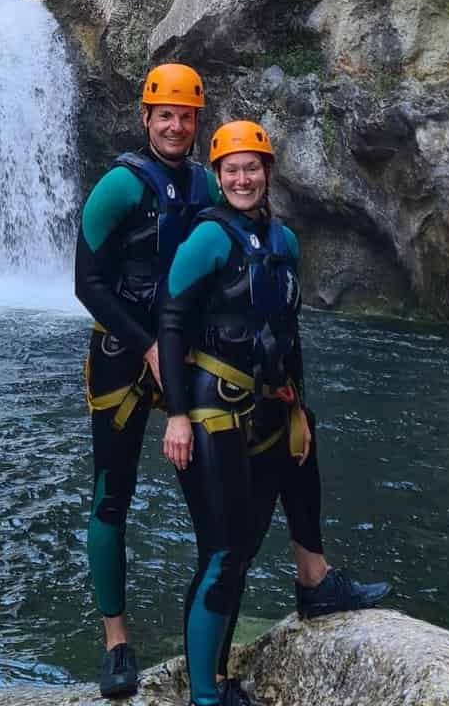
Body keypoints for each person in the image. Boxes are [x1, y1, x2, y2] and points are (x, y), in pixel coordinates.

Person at [159, 120, 389, 706]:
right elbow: (171, 323)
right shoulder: (207, 239)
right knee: (223, 548)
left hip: (266, 406)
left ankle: (314, 584)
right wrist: (176, 415)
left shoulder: (284, 243)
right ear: (217, 177)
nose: (242, 178)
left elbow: (289, 333)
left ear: (268, 173)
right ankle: (205, 695)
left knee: (258, 525)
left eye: (252, 167)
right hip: (213, 412)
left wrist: (300, 409)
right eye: (231, 170)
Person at [75, 62, 216, 699]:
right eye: (166, 114)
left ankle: (206, 638)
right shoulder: (118, 187)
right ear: (147, 118)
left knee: (212, 502)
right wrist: (146, 344)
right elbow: (88, 283)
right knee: (113, 495)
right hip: (123, 358)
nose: (176, 125)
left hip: (188, 358)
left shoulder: (211, 188)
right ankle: (117, 644)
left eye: (186, 116)